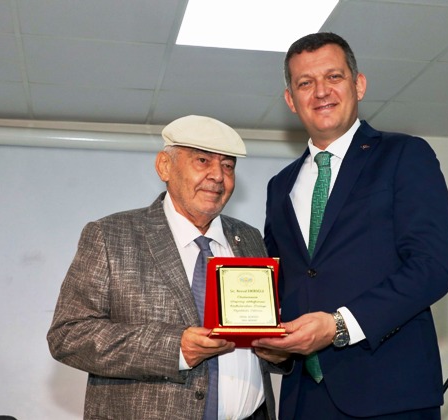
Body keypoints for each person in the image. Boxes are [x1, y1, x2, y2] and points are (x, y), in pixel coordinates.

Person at [253, 32, 448, 419]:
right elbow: (281, 283)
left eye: (334, 76)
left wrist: (339, 326)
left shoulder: (405, 155)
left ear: (358, 85)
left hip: (390, 395)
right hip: (303, 400)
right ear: (291, 100)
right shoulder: (280, 186)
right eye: (305, 83)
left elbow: (430, 269)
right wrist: (275, 344)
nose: (321, 92)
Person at [47, 115, 286, 420]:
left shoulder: (249, 238)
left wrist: (278, 353)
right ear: (164, 166)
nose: (217, 176)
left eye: (228, 166)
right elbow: (68, 336)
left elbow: (260, 334)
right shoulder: (110, 236)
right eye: (202, 160)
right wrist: (175, 349)